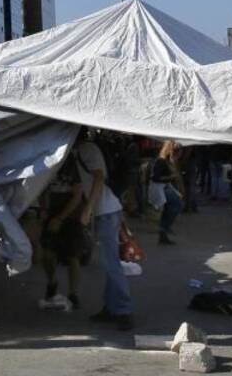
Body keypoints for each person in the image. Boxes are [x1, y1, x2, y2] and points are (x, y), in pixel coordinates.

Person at [73, 129, 134, 329]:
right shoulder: (83, 150)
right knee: (110, 263)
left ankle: (124, 311)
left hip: (106, 212)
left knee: (112, 264)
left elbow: (99, 178)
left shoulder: (87, 149)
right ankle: (111, 308)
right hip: (108, 210)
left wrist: (88, 208)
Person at [38, 156, 87, 309]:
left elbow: (77, 195)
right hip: (51, 212)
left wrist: (59, 218)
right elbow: (41, 189)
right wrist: (44, 210)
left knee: (72, 255)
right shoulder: (43, 162)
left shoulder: (70, 163)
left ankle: (73, 294)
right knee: (48, 253)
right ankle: (52, 283)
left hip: (71, 215)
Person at [151, 140, 184, 244]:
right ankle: (164, 228)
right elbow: (155, 178)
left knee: (173, 206)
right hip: (162, 187)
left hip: (165, 187)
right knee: (177, 204)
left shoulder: (168, 161)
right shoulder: (161, 161)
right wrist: (170, 177)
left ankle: (163, 231)